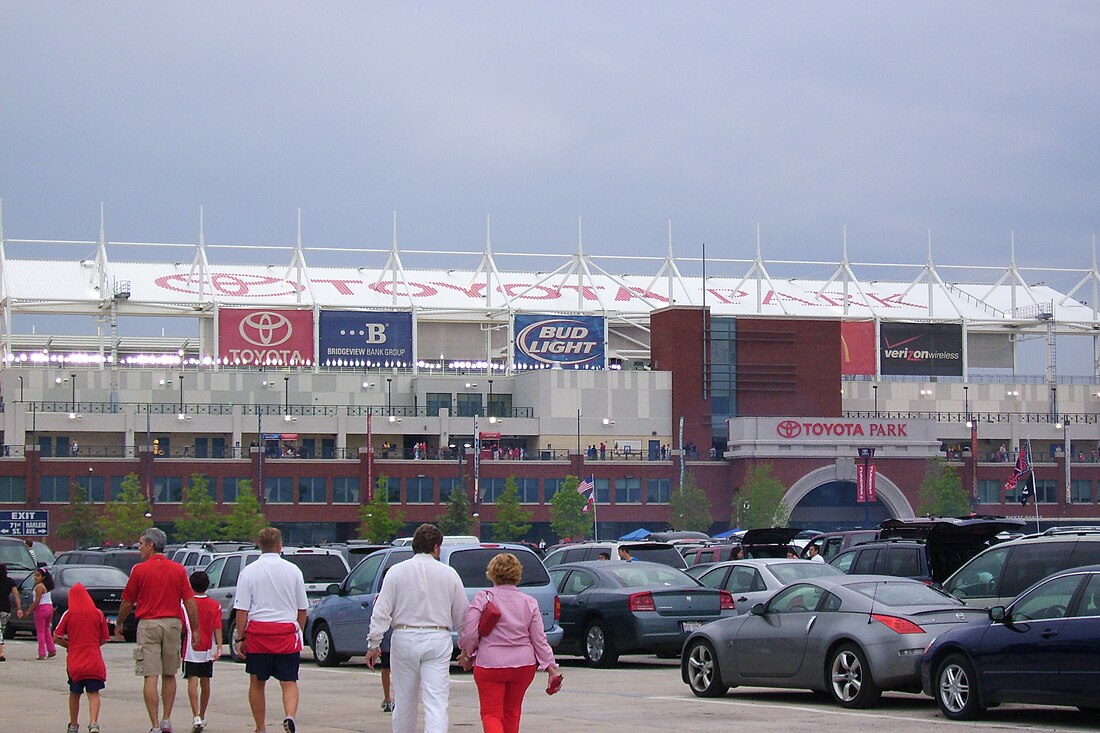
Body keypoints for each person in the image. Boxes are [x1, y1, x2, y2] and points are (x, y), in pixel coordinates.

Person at [366, 523, 468, 733]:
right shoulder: (449, 574)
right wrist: (466, 648)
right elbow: (463, 615)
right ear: (437, 547)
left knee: (404, 703)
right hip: (437, 636)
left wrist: (373, 643)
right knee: (436, 703)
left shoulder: (396, 572)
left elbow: (381, 610)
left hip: (404, 636)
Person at [458, 553, 562, 733]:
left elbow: (470, 633)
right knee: (512, 712)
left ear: (491, 573)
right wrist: (550, 668)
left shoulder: (483, 598)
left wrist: (467, 653)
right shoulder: (529, 602)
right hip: (523, 665)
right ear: (517, 574)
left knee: (491, 714)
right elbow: (539, 639)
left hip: (490, 664)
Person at [116, 527, 201, 733]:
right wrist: (195, 629)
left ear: (151, 545)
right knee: (169, 673)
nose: (140, 549)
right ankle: (166, 719)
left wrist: (119, 622)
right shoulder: (178, 570)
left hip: (148, 624)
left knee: (150, 675)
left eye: (141, 545)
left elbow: (128, 601)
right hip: (172, 623)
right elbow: (189, 601)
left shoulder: (139, 570)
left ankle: (154, 724)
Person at [234, 527, 308, 733]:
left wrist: (240, 638)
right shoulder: (293, 570)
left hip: (259, 634)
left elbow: (242, 610)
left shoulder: (249, 572)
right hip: (286, 632)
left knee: (257, 682)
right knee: (289, 681)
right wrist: (298, 632)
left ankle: (260, 727)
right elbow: (303, 609)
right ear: (279, 545)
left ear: (259, 546)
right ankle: (289, 715)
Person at [54, 583, 110, 733]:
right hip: (94, 660)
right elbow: (105, 638)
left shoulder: (69, 613)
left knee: (75, 693)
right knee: (94, 693)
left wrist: (69, 646)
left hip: (75, 661)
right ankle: (93, 723)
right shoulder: (98, 613)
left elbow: (56, 636)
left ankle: (73, 725)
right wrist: (93, 645)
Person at [184, 571, 223, 733]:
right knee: (205, 681)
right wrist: (219, 647)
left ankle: (195, 716)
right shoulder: (215, 605)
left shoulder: (185, 604)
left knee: (191, 679)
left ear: (190, 586)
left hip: (190, 648)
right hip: (208, 648)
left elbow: (181, 625)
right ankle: (202, 713)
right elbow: (217, 627)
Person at [25, 567, 57, 659]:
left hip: (41, 609)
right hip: (49, 608)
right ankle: (51, 650)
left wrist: (29, 610)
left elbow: (37, 601)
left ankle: (42, 653)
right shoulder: (46, 586)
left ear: (43, 577)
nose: (35, 577)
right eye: (35, 575)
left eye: (38, 576)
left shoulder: (39, 587)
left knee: (40, 632)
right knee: (46, 629)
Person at [0, 562, 24, 661]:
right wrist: (19, 609)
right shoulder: (10, 582)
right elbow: (16, 595)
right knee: (1, 630)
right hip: (6, 610)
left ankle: (1, 653)